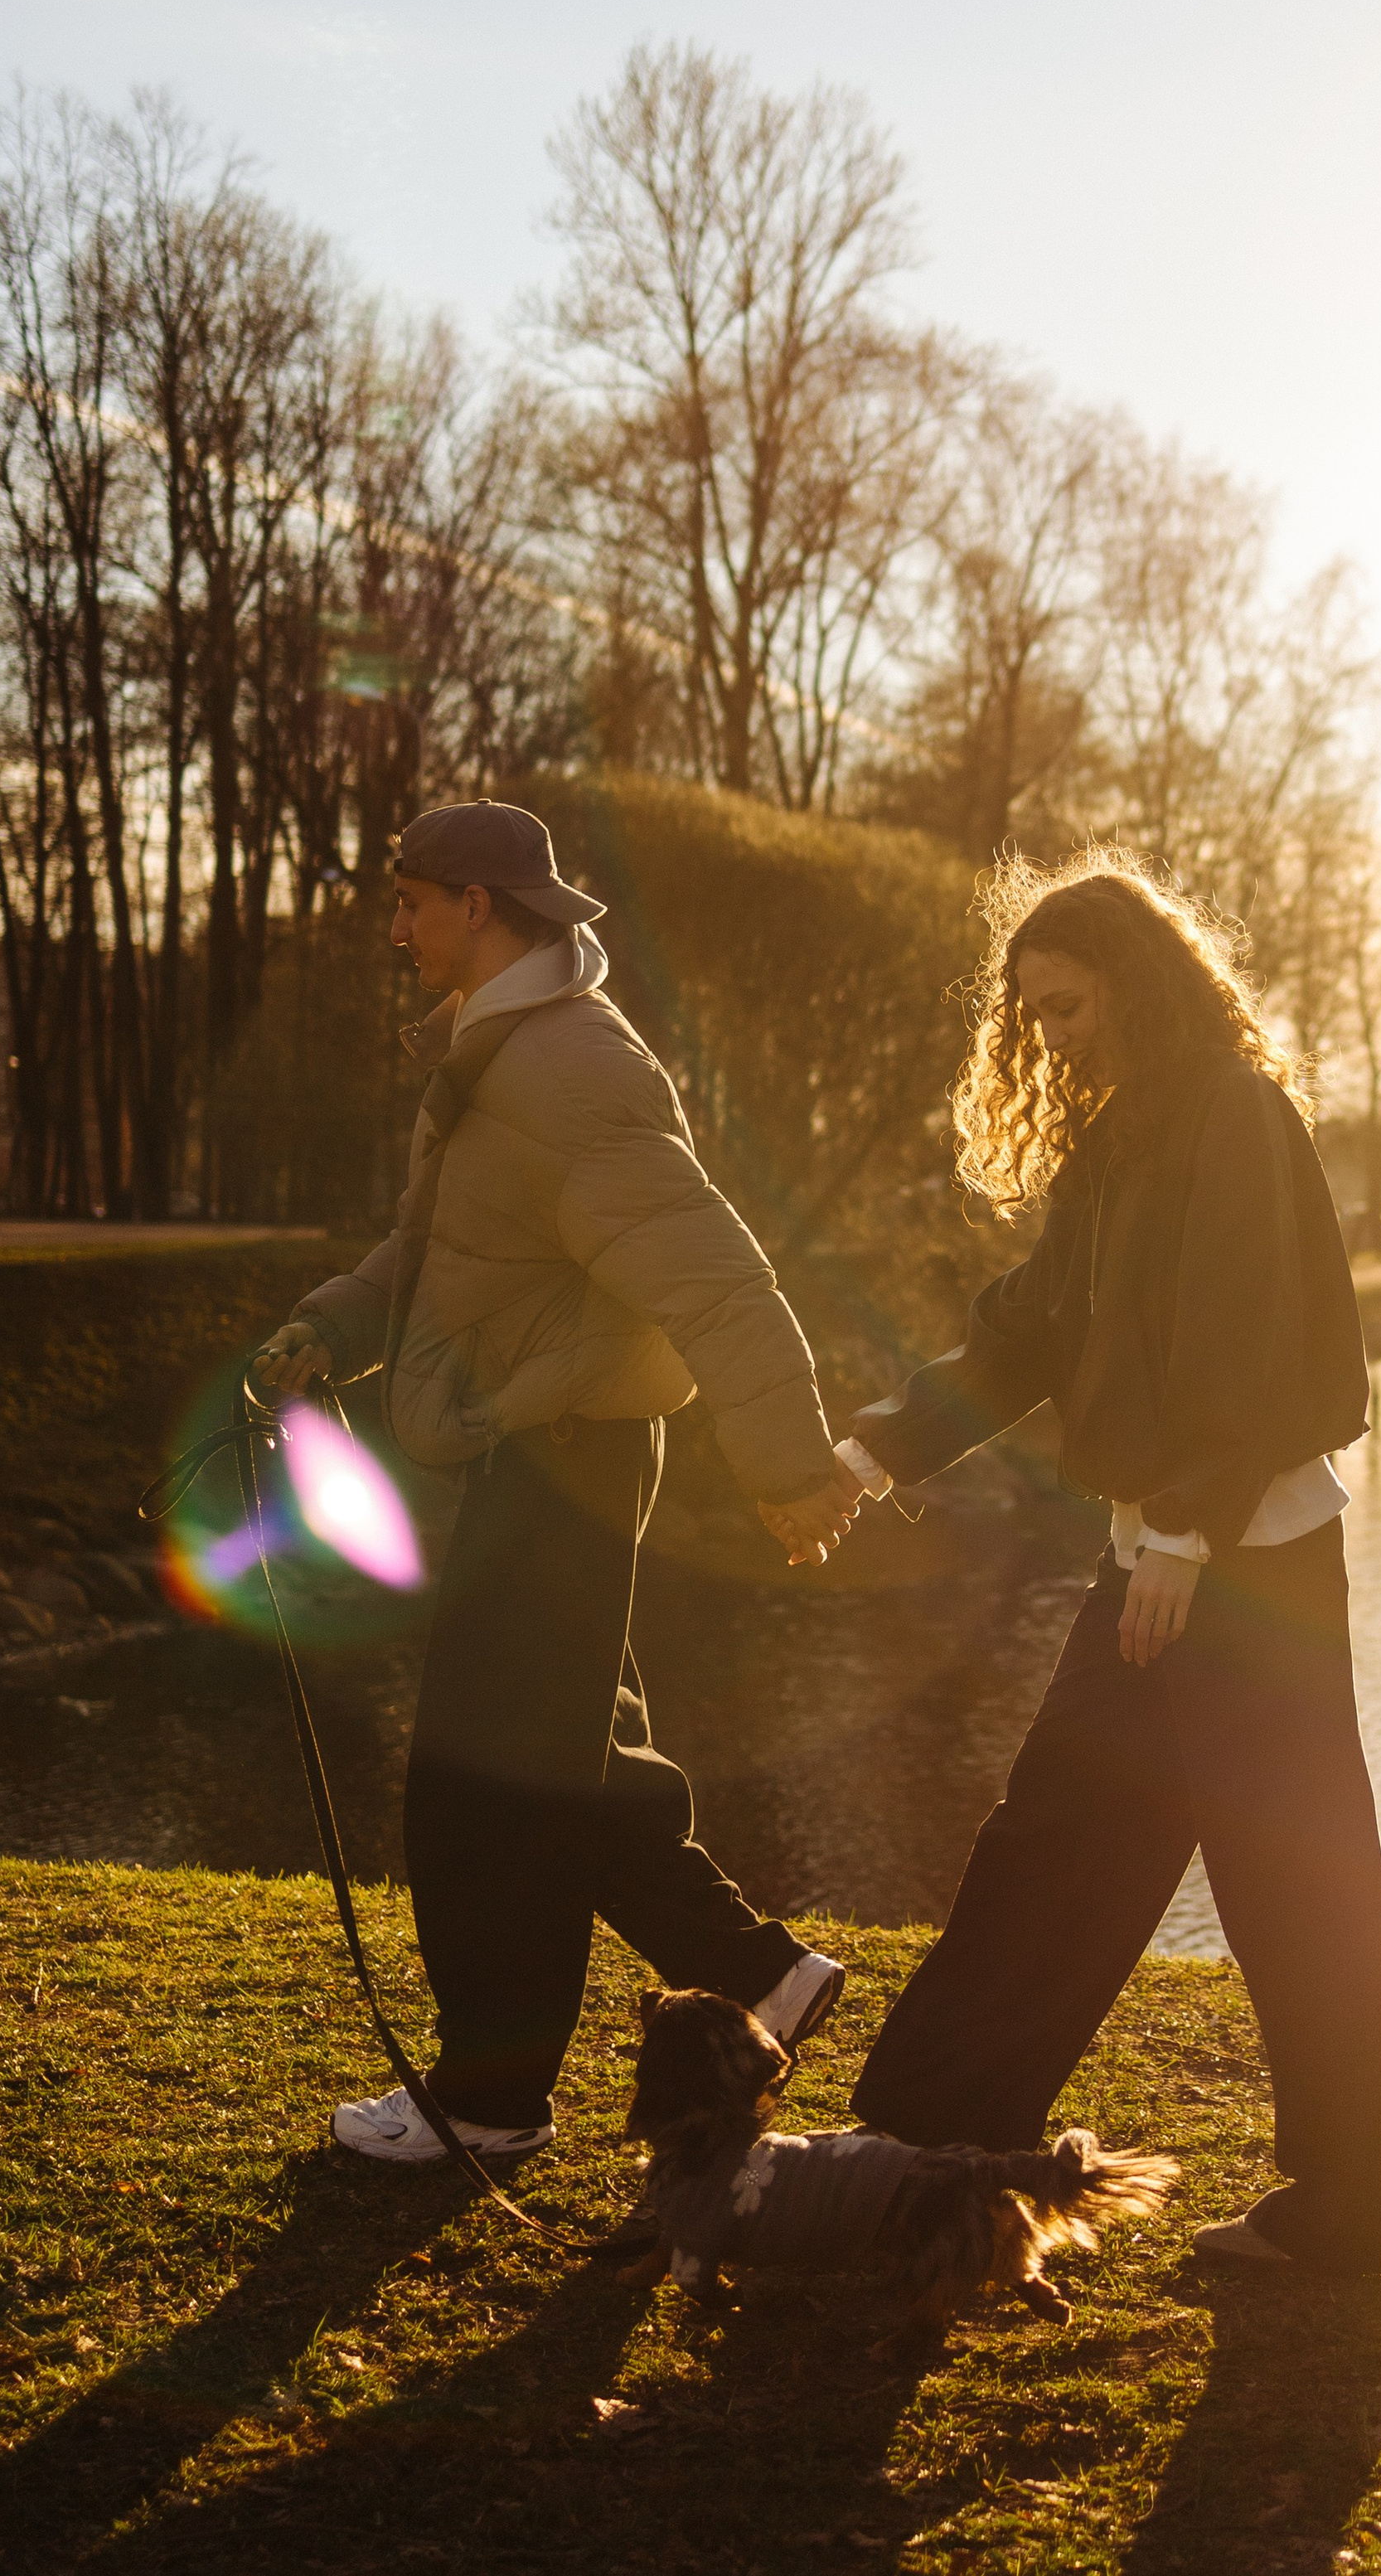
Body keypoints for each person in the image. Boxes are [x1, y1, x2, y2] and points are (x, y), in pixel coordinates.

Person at [831, 849, 1381, 2276]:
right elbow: (1020, 1332)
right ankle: (941, 2133)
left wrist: (1182, 1527)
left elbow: (1243, 1341)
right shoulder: (1115, 1144)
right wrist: (873, 1455)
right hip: (1166, 1559)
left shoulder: (1232, 1116)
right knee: (1057, 1838)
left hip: (1246, 1568)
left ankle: (1367, 2210)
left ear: (1139, 984)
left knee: (1293, 1883)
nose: (1054, 1037)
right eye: (1036, 1015)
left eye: (1071, 1004)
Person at [250, 798, 860, 2167]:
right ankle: (758, 1971)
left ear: (480, 903)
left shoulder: (571, 1066)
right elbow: (431, 1252)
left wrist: (789, 1463)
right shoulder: (497, 1054)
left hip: (572, 1446)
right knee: (568, 1756)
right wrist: (329, 1332)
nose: (394, 926)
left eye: (409, 900)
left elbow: (709, 1266)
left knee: (484, 1786)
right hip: (541, 1447)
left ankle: (490, 2101)